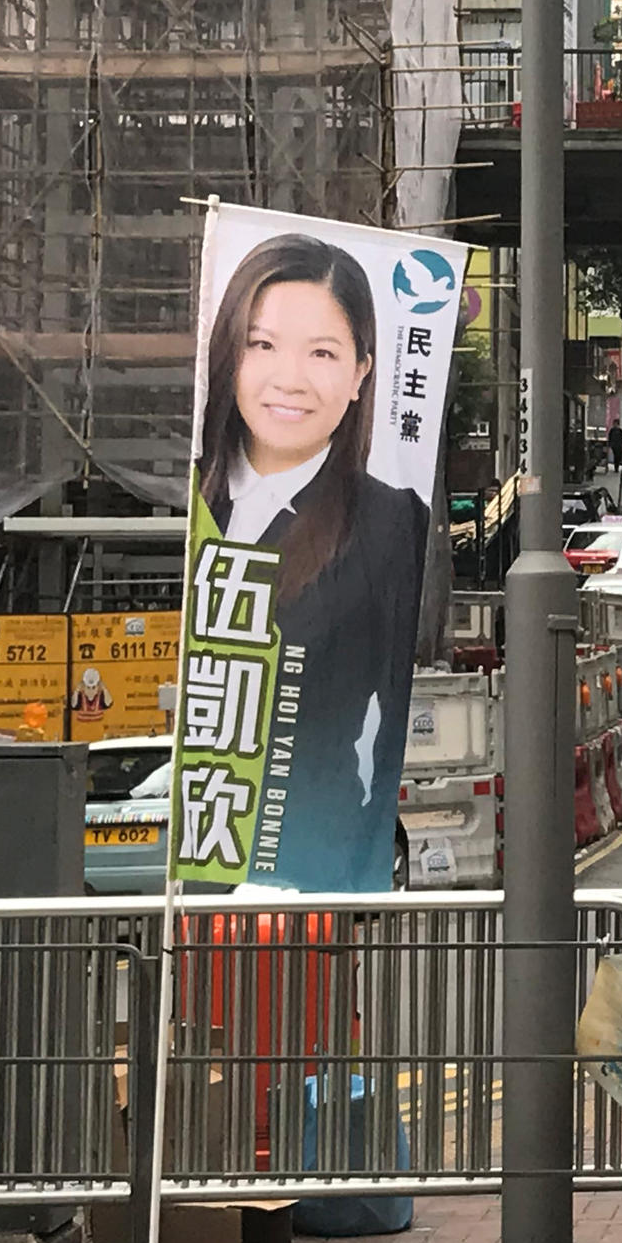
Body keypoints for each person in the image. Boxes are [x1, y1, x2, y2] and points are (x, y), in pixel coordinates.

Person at [195, 230, 429, 892]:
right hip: (204, 849)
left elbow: (388, 729)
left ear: (360, 373)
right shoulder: (195, 507)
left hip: (314, 865)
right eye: (262, 344)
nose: (288, 379)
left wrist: (358, 869)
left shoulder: (387, 521)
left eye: (322, 352)